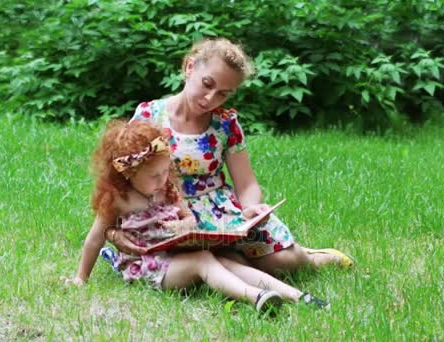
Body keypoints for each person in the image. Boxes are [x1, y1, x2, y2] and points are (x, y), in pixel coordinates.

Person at [105, 37, 354, 275]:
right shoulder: (149, 116)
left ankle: (311, 257)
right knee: (223, 264)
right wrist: (113, 231)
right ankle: (240, 262)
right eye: (208, 84)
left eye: (223, 93)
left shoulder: (226, 124)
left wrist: (250, 209)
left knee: (286, 263)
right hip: (171, 216)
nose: (210, 98)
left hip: (222, 215)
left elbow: (247, 183)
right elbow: (121, 177)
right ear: (190, 67)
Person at [61, 120, 328, 312]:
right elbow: (94, 239)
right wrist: (80, 279)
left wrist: (183, 226)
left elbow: (188, 218)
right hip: (151, 267)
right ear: (128, 173)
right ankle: (257, 297)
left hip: (176, 255)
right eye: (154, 175)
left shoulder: (167, 188)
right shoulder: (117, 199)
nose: (163, 179)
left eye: (166, 171)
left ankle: (299, 296)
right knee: (203, 261)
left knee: (225, 261)